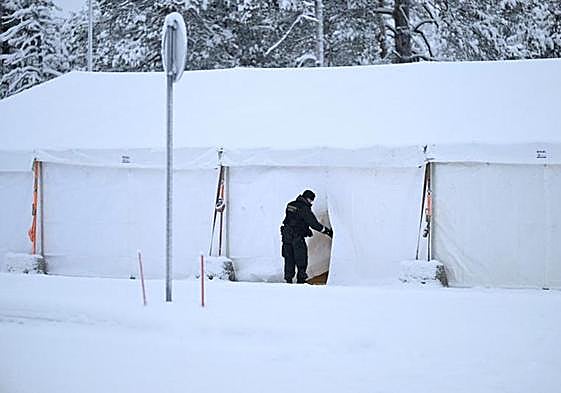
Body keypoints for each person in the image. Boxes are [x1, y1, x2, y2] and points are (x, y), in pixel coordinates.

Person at [280, 190, 333, 284]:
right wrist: (327, 231)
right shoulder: (304, 208)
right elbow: (314, 224)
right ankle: (301, 281)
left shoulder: (290, 205)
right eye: (311, 201)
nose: (311, 203)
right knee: (301, 259)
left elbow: (293, 220)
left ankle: (288, 281)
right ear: (308, 199)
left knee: (289, 259)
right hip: (296, 237)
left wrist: (306, 230)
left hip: (286, 236)